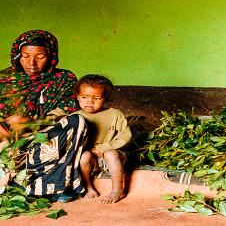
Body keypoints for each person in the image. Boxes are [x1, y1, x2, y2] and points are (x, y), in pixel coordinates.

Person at [0, 30, 87, 202]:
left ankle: (53, 185)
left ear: (51, 55)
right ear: (17, 55)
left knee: (78, 121)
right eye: (25, 56)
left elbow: (66, 110)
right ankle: (18, 180)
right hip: (9, 142)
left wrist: (33, 123)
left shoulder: (64, 78)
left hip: (44, 137)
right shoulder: (3, 79)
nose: (31, 63)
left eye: (40, 57)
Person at [74, 74, 132, 204]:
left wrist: (104, 147)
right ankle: (88, 187)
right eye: (84, 97)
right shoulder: (75, 118)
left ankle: (118, 189)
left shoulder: (115, 114)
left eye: (97, 98)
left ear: (105, 98)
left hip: (113, 156)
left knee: (110, 154)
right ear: (78, 97)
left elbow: (125, 136)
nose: (90, 102)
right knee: (84, 156)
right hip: (91, 159)